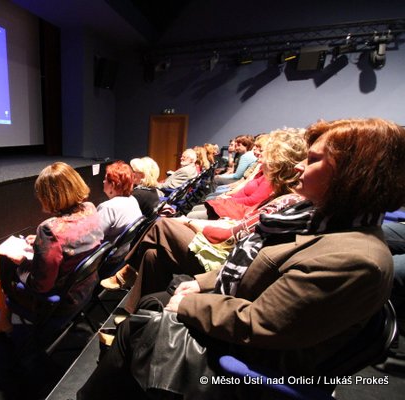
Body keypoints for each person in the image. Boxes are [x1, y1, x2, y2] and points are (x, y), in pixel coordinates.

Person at [78, 117, 405, 399]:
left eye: (314, 159)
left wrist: (189, 304)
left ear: (354, 175)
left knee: (137, 328)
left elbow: (262, 324)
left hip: (252, 362)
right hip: (240, 308)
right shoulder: (319, 220)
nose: (301, 166)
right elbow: (254, 261)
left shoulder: (355, 258)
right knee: (153, 294)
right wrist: (201, 283)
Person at [102, 128, 307, 295]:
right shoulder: (278, 195)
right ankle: (136, 313)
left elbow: (229, 235)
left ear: (279, 164)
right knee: (151, 255)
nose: (260, 160)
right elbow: (239, 223)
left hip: (224, 259)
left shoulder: (284, 201)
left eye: (266, 157)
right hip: (227, 245)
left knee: (162, 224)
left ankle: (128, 270)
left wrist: (188, 222)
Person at [0, 162, 103, 334]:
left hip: (60, 302)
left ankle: (1, 321)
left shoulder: (50, 229)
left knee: (6, 267)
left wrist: (22, 263)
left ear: (49, 196)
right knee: (5, 259)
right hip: (84, 288)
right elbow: (74, 240)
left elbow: (41, 285)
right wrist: (40, 243)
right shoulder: (89, 208)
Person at [98, 161, 143, 244]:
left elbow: (94, 238)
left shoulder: (108, 208)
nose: (103, 182)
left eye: (105, 179)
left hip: (111, 251)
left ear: (112, 185)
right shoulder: (132, 200)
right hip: (128, 248)